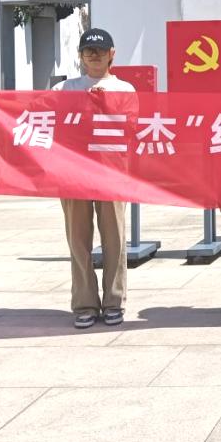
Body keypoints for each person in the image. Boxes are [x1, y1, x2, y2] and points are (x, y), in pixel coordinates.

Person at [53, 28, 135, 329]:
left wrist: (105, 106)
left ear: (112, 54)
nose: (94, 55)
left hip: (111, 171)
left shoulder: (124, 89)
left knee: (114, 238)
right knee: (78, 240)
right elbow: (41, 116)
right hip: (73, 171)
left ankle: (114, 301)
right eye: (88, 50)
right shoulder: (65, 88)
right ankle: (84, 302)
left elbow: (132, 127)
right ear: (81, 55)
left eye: (100, 51)